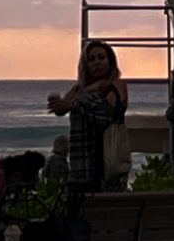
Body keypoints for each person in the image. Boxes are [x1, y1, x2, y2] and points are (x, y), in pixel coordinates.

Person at [48, 38, 129, 191]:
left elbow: (104, 112)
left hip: (107, 157)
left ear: (110, 61)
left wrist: (75, 103)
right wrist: (62, 102)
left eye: (101, 57)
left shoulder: (117, 85)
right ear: (85, 65)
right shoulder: (79, 89)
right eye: (91, 59)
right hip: (82, 161)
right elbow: (62, 108)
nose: (97, 62)